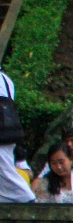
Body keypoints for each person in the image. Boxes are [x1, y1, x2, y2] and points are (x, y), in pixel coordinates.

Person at [0, 69, 35, 204]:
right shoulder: (6, 79)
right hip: (9, 129)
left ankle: (25, 197)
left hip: (3, 131)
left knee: (5, 169)